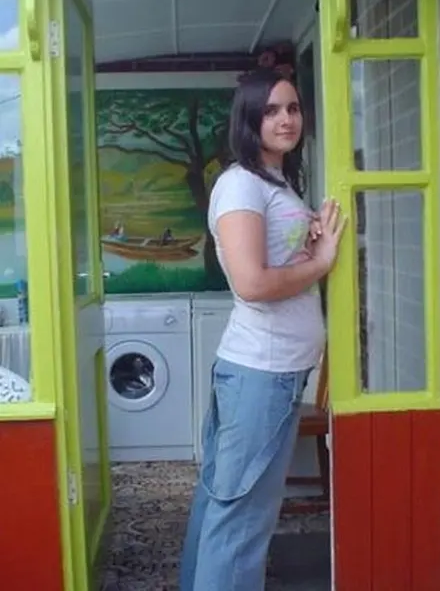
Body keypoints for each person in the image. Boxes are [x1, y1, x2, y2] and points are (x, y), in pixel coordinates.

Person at [179, 68, 346, 591]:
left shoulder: (274, 181)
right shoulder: (240, 184)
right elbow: (252, 283)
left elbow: (275, 256)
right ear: (249, 119)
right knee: (241, 523)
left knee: (225, 506)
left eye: (293, 108)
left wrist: (305, 238)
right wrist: (320, 263)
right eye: (271, 110)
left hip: (269, 372)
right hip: (261, 372)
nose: (286, 119)